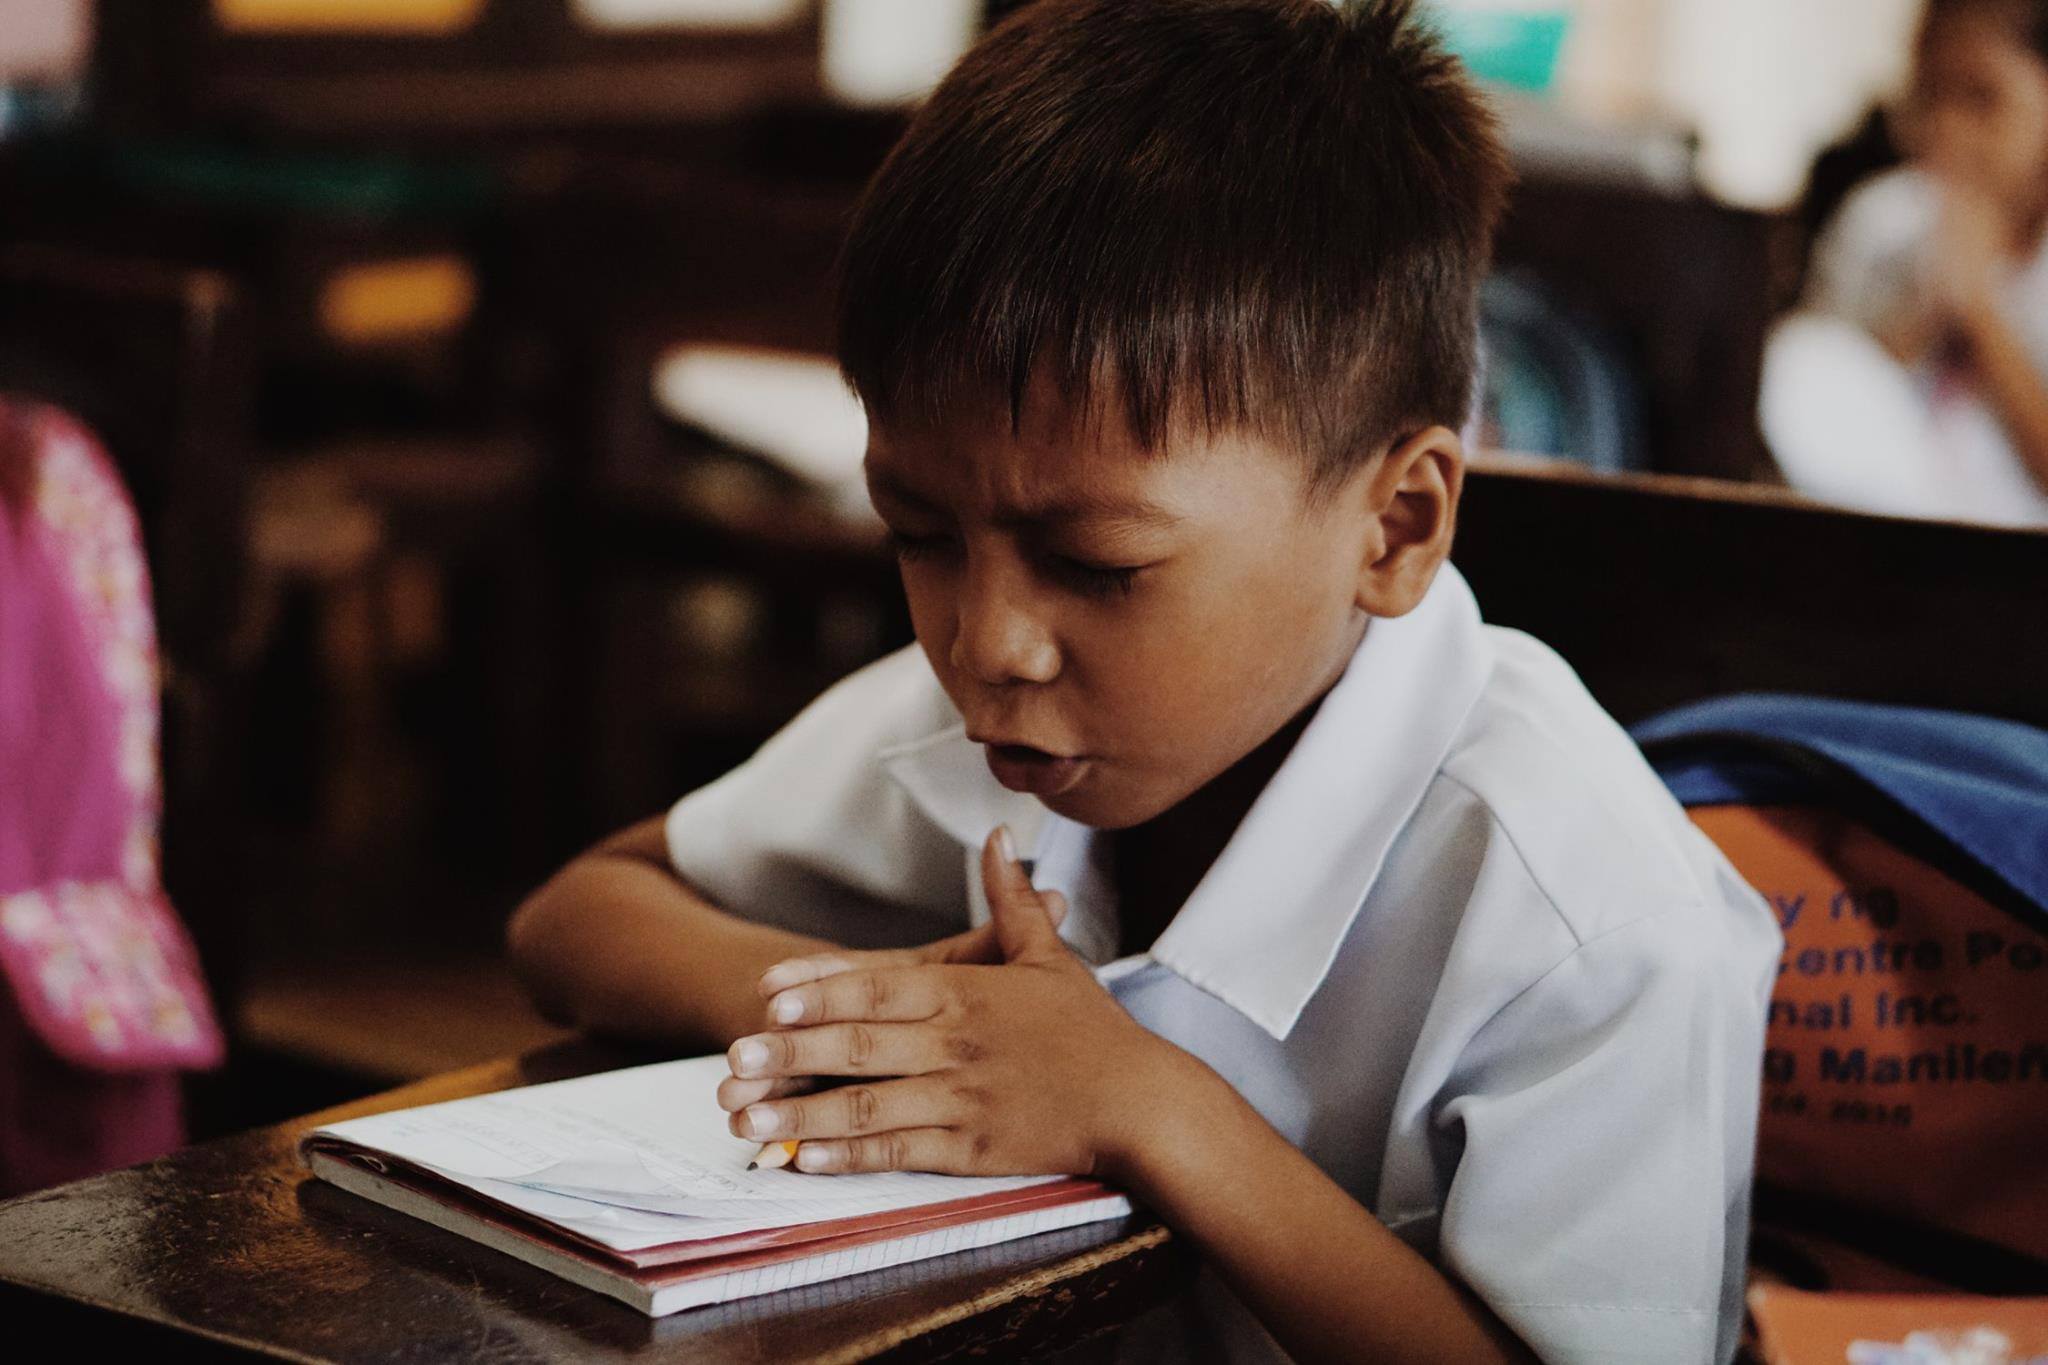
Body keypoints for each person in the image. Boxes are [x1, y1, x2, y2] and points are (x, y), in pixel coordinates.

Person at [509, 2, 1781, 1360]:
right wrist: (876, 1018)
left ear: (1395, 526)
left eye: (1098, 563)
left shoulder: (1589, 919)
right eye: (919, 533)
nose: (987, 639)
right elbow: (574, 917)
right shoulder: (994, 724)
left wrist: (1145, 1107)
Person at [1763, 0, 2048, 526]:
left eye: (1982, 99)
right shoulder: (1881, 223)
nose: (1950, 129)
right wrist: (1918, 323)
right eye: (1929, 96)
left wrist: (1979, 314)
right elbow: (1818, 408)